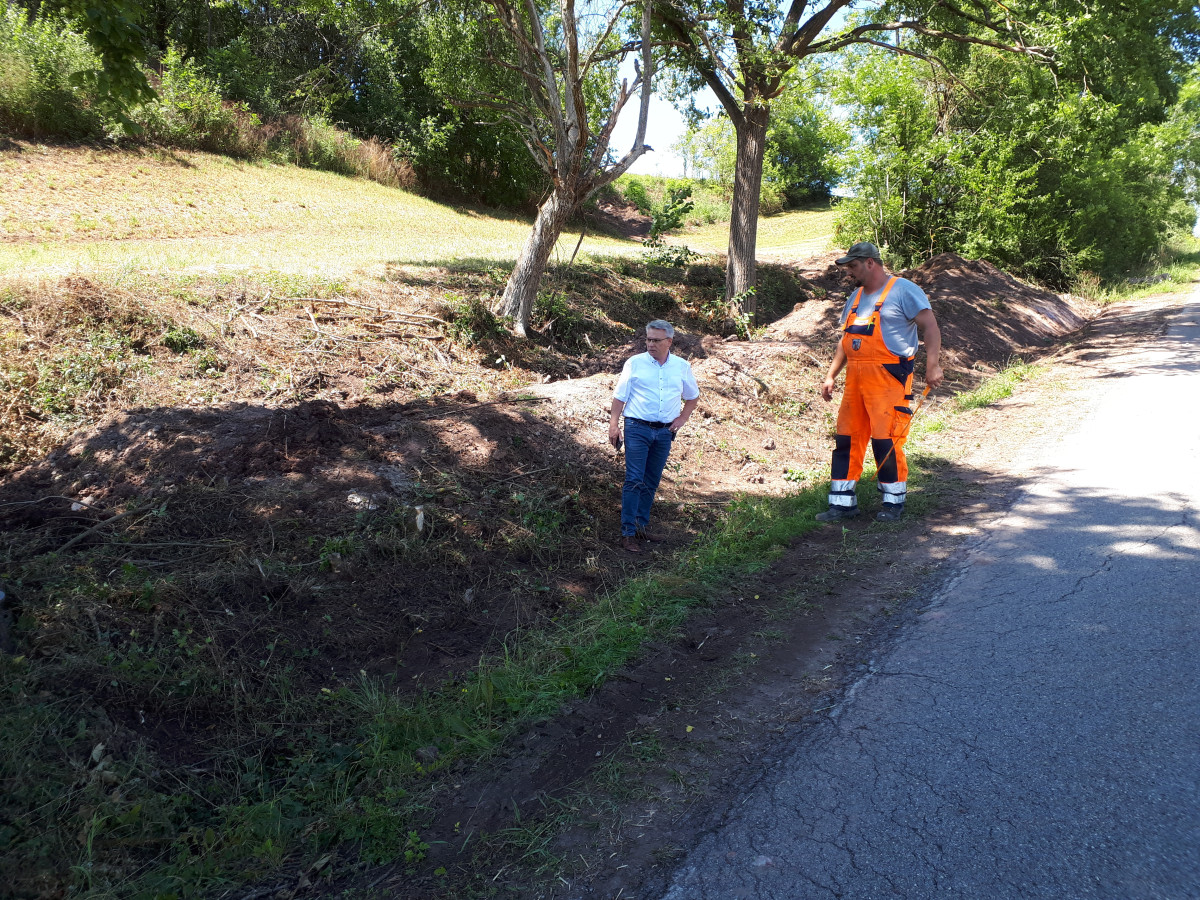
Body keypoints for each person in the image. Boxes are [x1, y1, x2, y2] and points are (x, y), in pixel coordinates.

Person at [817, 242, 944, 522]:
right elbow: (846, 340)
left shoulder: (904, 290)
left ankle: (892, 503)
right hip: (855, 382)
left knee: (885, 439)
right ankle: (842, 503)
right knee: (846, 439)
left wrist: (933, 366)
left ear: (870, 263)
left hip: (889, 379)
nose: (848, 272)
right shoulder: (856, 296)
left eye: (853, 266)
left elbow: (930, 326)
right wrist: (831, 375)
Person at [609, 320, 700, 553]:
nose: (650, 344)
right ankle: (628, 533)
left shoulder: (681, 366)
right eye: (648, 339)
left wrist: (681, 419)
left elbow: (692, 397)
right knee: (634, 479)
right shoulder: (634, 364)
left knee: (651, 480)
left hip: (664, 432)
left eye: (656, 340)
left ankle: (641, 526)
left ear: (669, 341)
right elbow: (619, 397)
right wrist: (614, 425)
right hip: (636, 427)